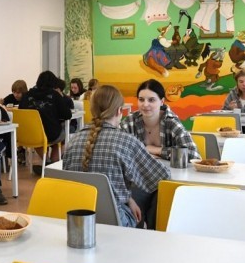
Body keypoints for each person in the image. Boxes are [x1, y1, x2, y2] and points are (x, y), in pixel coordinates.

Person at [63, 85, 170, 228]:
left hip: (78, 220)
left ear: (92, 109)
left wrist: (128, 198)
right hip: (116, 221)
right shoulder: (126, 142)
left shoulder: (73, 141)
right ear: (120, 111)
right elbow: (162, 176)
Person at [120, 79, 199, 228]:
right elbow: (119, 152)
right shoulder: (129, 122)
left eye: (151, 100)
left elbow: (193, 154)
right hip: (139, 181)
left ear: (162, 101)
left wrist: (156, 150)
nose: (145, 104)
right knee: (130, 210)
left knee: (157, 213)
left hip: (167, 180)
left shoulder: (171, 121)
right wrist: (145, 151)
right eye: (141, 99)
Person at [19, 71, 72, 175]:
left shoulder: (26, 96)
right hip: (51, 134)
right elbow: (67, 115)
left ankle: (47, 162)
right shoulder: (54, 95)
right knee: (63, 134)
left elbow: (21, 111)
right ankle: (52, 165)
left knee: (38, 136)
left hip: (30, 135)